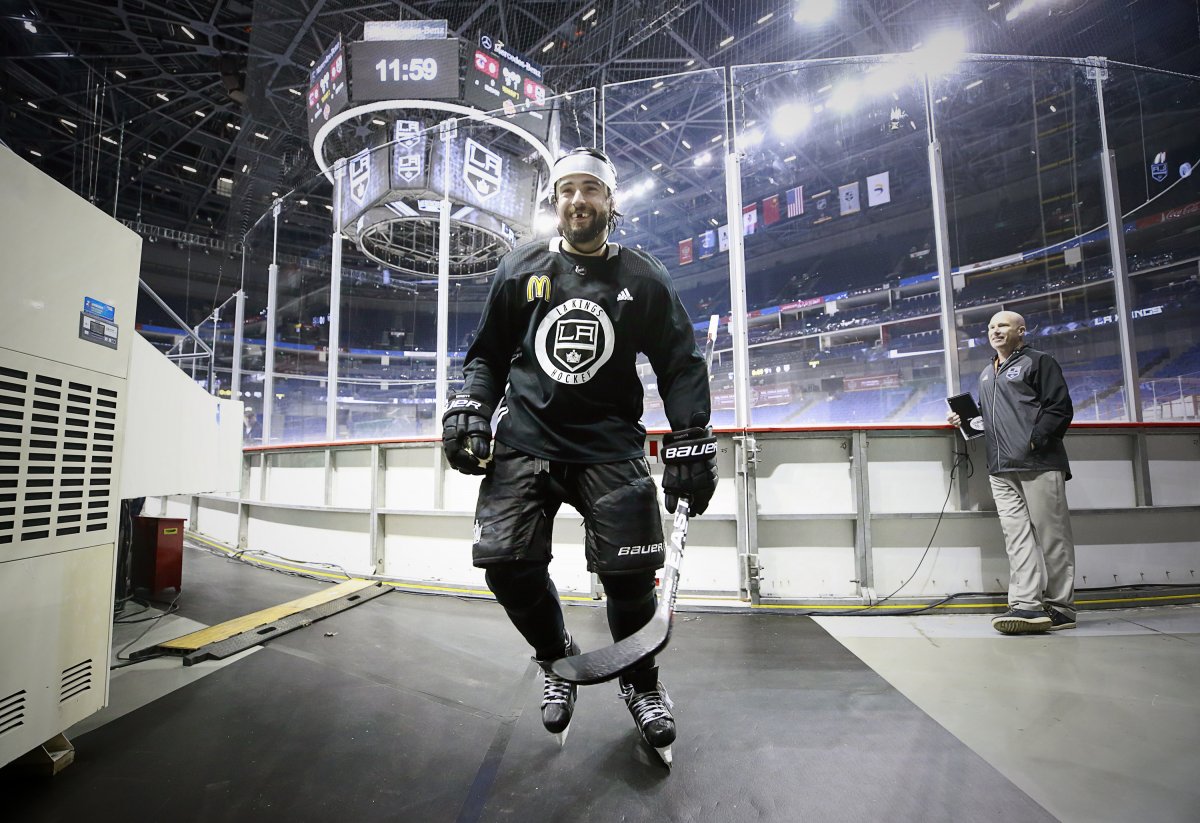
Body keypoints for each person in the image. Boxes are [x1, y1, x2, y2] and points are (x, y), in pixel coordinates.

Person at [441, 147, 717, 761]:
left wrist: (691, 436)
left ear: (610, 202)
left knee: (628, 578)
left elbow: (678, 363)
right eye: (566, 190)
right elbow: (486, 355)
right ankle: (556, 660)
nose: (577, 201)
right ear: (555, 201)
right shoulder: (520, 269)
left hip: (609, 445)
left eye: (590, 189)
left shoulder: (642, 277)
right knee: (506, 567)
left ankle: (640, 685)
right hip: (526, 441)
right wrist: (471, 406)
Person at [948, 310, 1076, 635]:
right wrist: (965, 422)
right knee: (1016, 539)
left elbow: (1060, 407)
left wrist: (1034, 442)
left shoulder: (1039, 361)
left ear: (1021, 330)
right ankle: (1026, 604)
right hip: (1000, 469)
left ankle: (1061, 607)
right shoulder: (985, 374)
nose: (996, 331)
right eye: (991, 327)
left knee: (1052, 538)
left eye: (1003, 325)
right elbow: (989, 421)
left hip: (1039, 465)